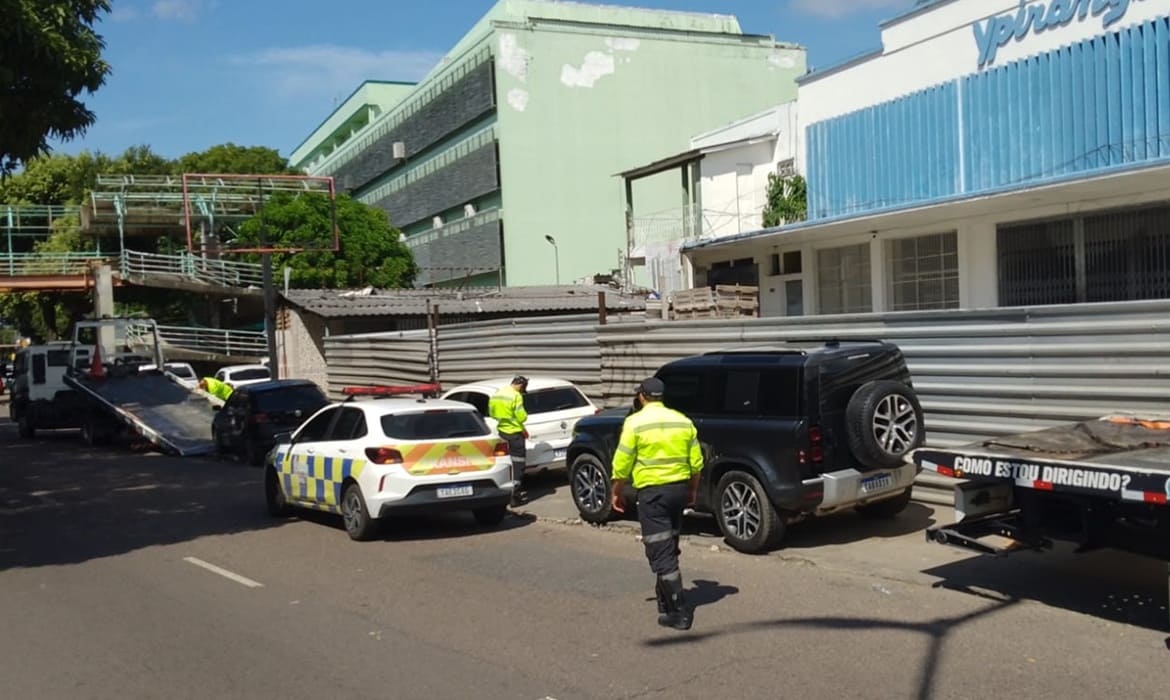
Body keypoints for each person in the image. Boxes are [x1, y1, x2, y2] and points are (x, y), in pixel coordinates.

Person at [611, 377, 704, 631]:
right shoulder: (682, 421)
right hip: (678, 491)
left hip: (653, 495)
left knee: (661, 551)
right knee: (668, 544)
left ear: (641, 396)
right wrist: (692, 490)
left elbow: (622, 462)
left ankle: (679, 612)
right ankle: (664, 602)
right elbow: (696, 462)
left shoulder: (635, 423)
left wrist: (616, 491)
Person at [489, 375, 529, 507]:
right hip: (515, 434)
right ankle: (514, 495)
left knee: (507, 464)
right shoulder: (516, 396)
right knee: (518, 464)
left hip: (502, 432)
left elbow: (492, 413)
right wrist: (523, 418)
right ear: (520, 385)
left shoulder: (497, 394)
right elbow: (521, 417)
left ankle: (505, 493)